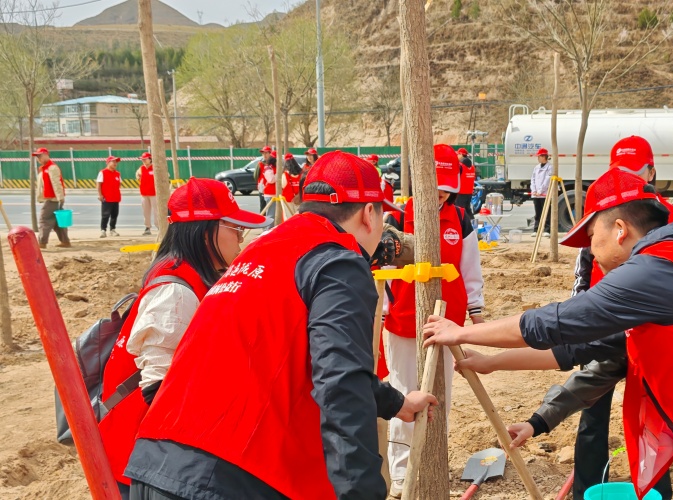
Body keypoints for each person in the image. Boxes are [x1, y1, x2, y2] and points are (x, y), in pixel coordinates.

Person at [424, 167, 673, 499]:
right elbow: (576, 349)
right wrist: (491, 363)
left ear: (619, 230)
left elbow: (556, 321)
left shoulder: (655, 270)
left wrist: (461, 333)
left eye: (591, 236)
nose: (590, 251)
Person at [125, 151, 437, 500]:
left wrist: (395, 403)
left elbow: (310, 359)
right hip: (228, 474)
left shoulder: (262, 250)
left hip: (155, 461)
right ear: (368, 214)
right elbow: (341, 382)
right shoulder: (338, 262)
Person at [98, 178, 270, 498]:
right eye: (235, 229)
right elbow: (158, 390)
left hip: (149, 455)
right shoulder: (175, 292)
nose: (240, 239)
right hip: (141, 457)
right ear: (205, 232)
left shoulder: (188, 273)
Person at [563, 134, 673, 500]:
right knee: (591, 407)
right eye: (619, 172)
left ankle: (657, 490)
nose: (628, 180)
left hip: (651, 332)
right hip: (603, 325)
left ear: (651, 172)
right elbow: (583, 273)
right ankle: (587, 488)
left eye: (636, 172)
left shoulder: (671, 219)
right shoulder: (603, 214)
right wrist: (580, 324)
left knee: (655, 416)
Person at [383, 143, 485, 498]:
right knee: (402, 393)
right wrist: (384, 309)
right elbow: (382, 270)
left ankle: (432, 462)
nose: (439, 193)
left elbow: (470, 268)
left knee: (439, 396)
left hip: (446, 321)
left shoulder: (461, 219)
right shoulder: (399, 218)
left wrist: (476, 310)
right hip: (402, 319)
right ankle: (401, 473)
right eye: (434, 185)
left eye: (445, 187)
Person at [33, 147, 71, 249]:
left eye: (40, 156)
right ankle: (65, 241)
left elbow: (56, 183)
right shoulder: (44, 168)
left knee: (44, 220)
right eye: (37, 157)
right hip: (52, 198)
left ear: (46, 155)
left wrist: (60, 197)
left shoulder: (52, 168)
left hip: (52, 199)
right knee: (58, 222)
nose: (38, 159)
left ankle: (42, 242)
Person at [97, 156, 122, 238]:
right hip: (106, 198)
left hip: (116, 197)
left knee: (114, 215)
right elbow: (99, 184)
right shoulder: (102, 172)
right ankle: (103, 230)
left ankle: (112, 229)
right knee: (105, 215)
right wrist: (100, 195)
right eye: (113, 162)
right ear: (108, 163)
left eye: (116, 162)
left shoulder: (117, 173)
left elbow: (119, 184)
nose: (115, 163)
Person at [530, 148, 552, 236]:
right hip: (536, 194)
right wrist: (534, 190)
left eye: (539, 156)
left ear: (543, 157)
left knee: (546, 212)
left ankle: (547, 230)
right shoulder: (536, 167)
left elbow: (547, 180)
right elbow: (533, 179)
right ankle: (536, 230)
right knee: (537, 213)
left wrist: (540, 191)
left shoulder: (549, 167)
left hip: (544, 193)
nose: (538, 158)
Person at [135, 152, 157, 236]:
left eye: (145, 159)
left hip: (154, 194)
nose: (143, 160)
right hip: (144, 194)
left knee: (156, 211)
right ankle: (147, 227)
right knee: (146, 212)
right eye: (142, 159)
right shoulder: (141, 169)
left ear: (150, 159)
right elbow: (138, 177)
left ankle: (159, 227)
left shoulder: (155, 167)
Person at [258, 151, 277, 225]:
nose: (264, 155)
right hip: (270, 193)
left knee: (273, 214)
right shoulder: (268, 168)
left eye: (266, 153)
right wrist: (279, 175)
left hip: (275, 193)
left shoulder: (274, 167)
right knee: (270, 215)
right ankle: (267, 229)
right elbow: (271, 180)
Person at [455, 147, 476, 215]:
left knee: (460, 211)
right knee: (467, 210)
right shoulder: (472, 167)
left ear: (461, 154)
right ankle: (472, 221)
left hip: (461, 193)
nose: (457, 156)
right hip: (469, 192)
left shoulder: (460, 166)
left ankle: (463, 222)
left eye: (458, 154)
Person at [254, 146, 272, 214]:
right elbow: (256, 175)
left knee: (271, 208)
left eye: (266, 153)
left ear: (270, 153)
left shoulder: (274, 163)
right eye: (263, 153)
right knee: (263, 207)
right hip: (263, 188)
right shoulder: (260, 164)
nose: (264, 155)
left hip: (272, 189)